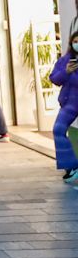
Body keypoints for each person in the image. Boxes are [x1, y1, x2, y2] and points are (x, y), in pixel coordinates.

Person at [49, 29, 78, 184]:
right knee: (58, 130)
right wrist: (66, 72)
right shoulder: (65, 60)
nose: (77, 44)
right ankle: (71, 167)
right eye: (75, 41)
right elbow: (54, 78)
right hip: (70, 102)